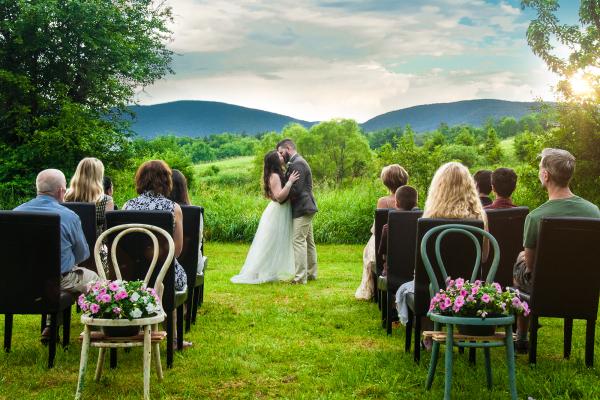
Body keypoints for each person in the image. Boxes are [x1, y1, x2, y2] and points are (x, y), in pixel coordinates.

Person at [513, 148, 600, 353]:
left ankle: (522, 336)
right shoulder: (594, 211)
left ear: (546, 175)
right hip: (583, 287)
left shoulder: (536, 217)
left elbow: (532, 267)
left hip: (545, 289)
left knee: (520, 260)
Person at [395, 162, 487, 328]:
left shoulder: (429, 219)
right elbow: (485, 256)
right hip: (467, 288)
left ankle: (427, 332)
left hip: (431, 288)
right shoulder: (480, 217)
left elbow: (423, 261)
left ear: (438, 187)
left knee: (411, 286)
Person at [14, 169, 98, 339]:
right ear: (61, 191)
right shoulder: (68, 216)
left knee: (61, 281)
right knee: (94, 280)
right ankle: (95, 328)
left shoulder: (15, 213)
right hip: (59, 279)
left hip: (21, 280)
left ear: (37, 188)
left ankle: (51, 326)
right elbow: (83, 254)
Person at [231, 150, 299, 283]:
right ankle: (257, 272)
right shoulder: (274, 176)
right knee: (269, 243)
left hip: (281, 211)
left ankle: (270, 271)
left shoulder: (277, 174)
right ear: (274, 160)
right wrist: (290, 182)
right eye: (279, 155)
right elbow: (279, 197)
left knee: (274, 243)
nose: (282, 156)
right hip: (277, 213)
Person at [123, 160, 188, 292]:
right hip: (165, 273)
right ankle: (170, 310)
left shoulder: (127, 206)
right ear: (166, 181)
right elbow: (176, 251)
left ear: (140, 180)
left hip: (132, 272)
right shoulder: (173, 208)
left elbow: (123, 245)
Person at [355, 164, 410, 300]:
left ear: (386, 182)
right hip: (406, 242)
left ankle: (375, 286)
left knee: (368, 250)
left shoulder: (383, 201)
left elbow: (377, 229)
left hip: (384, 244)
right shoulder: (411, 198)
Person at [277, 139, 318, 284]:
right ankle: (311, 273)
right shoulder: (297, 162)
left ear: (288, 148)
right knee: (308, 241)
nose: (281, 155)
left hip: (302, 207)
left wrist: (281, 197)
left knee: (298, 241)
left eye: (281, 152)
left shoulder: (297, 163)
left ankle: (300, 278)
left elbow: (297, 189)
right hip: (306, 206)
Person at [65, 157, 114, 237]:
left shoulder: (66, 196)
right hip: (94, 246)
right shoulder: (106, 200)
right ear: (98, 176)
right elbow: (107, 232)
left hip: (69, 242)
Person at [378, 185, 418, 276]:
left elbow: (381, 252)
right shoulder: (420, 226)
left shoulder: (387, 228)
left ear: (396, 203)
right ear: (416, 203)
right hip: (415, 272)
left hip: (392, 272)